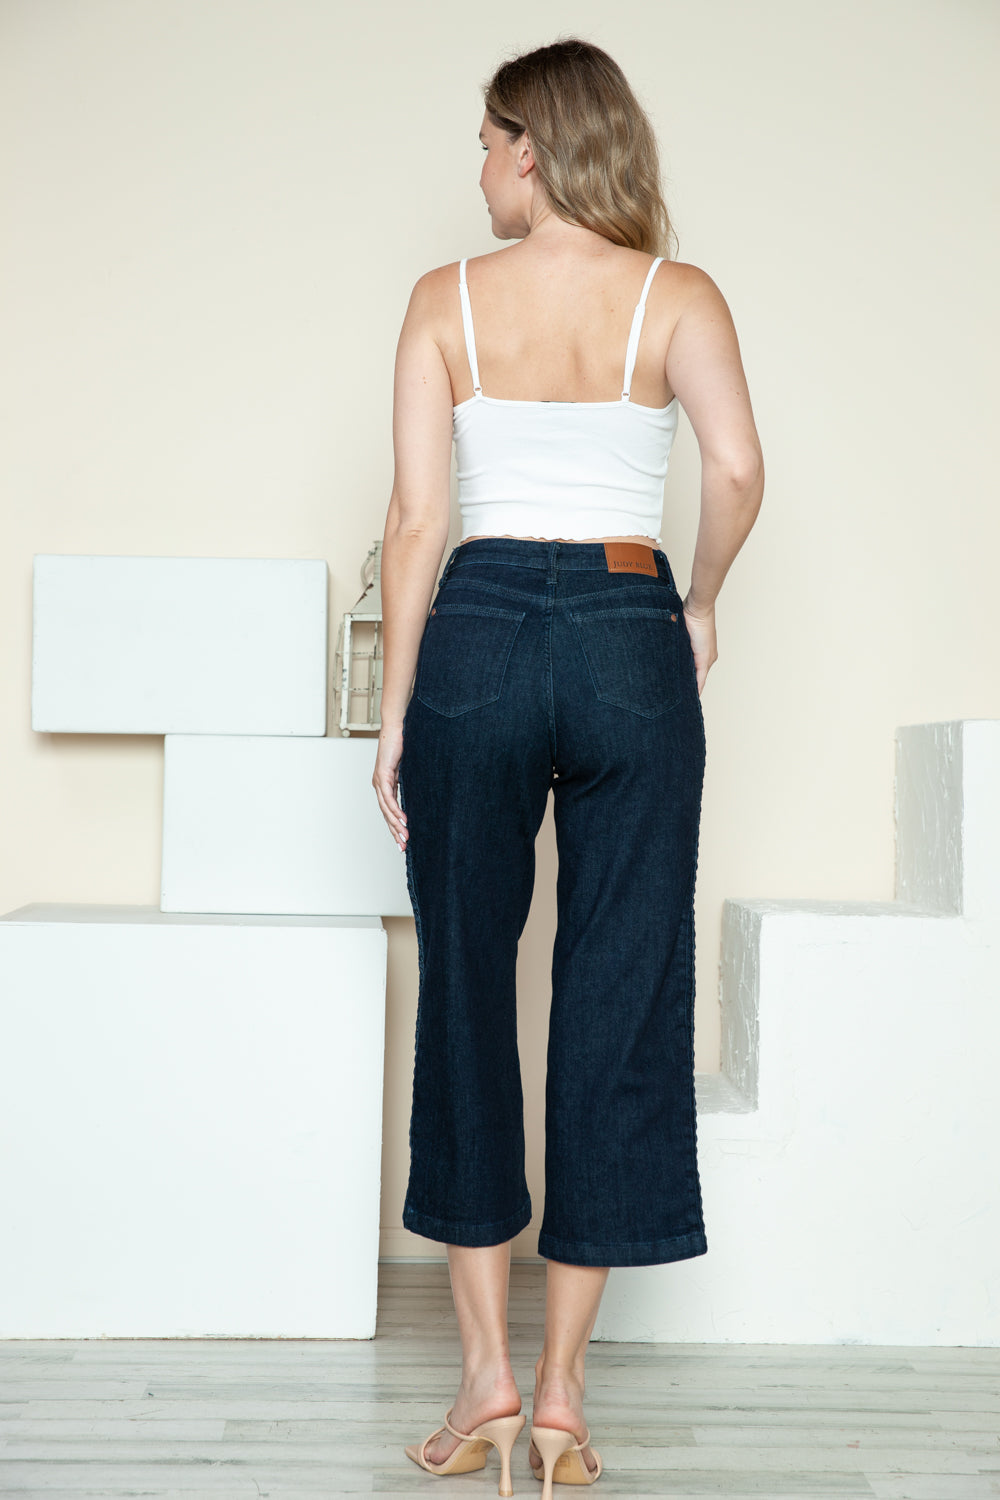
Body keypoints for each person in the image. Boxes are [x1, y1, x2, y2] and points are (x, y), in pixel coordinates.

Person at [372, 37, 763, 1498]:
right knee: (618, 992)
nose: (476, 169)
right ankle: (560, 1401)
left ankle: (478, 1380)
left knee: (468, 984)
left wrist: (403, 707)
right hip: (623, 621)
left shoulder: (441, 305)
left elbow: (416, 524)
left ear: (531, 148)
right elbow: (732, 468)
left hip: (474, 625)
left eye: (486, 143)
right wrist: (702, 595)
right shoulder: (678, 295)